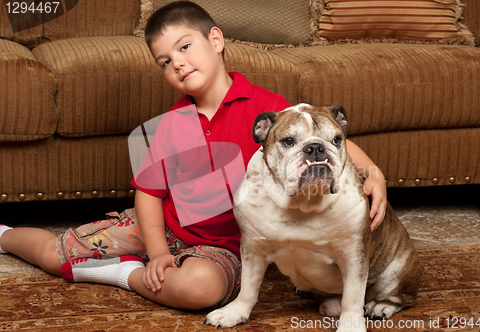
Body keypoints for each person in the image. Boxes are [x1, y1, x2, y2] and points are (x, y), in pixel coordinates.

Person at [0, 1, 386, 310]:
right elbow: (150, 193)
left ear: (215, 40)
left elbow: (322, 136)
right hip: (162, 227)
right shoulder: (172, 122)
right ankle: (4, 236)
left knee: (199, 291)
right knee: (56, 255)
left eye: (185, 47)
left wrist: (373, 171)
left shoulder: (268, 109)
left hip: (224, 247)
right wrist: (156, 253)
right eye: (165, 61)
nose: (178, 63)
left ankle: (121, 274)